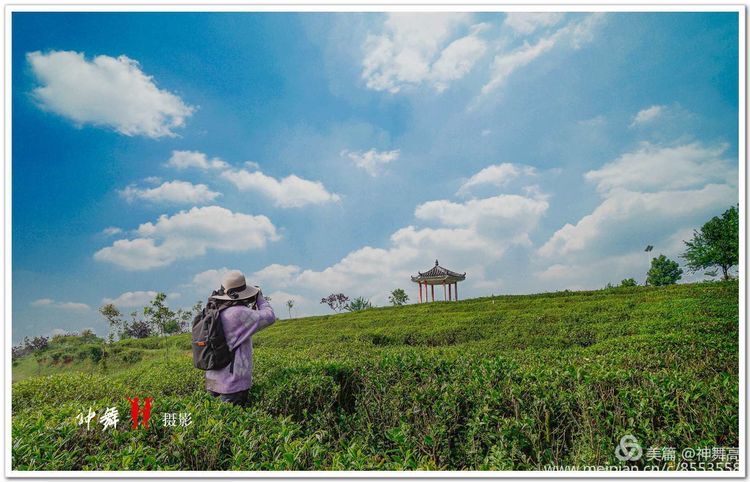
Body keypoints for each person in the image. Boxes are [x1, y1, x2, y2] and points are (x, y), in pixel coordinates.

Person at [205, 270, 276, 406]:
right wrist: (259, 297)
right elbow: (269, 316)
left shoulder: (214, 311)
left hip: (212, 380)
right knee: (231, 418)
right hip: (233, 385)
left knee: (214, 417)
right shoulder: (239, 313)